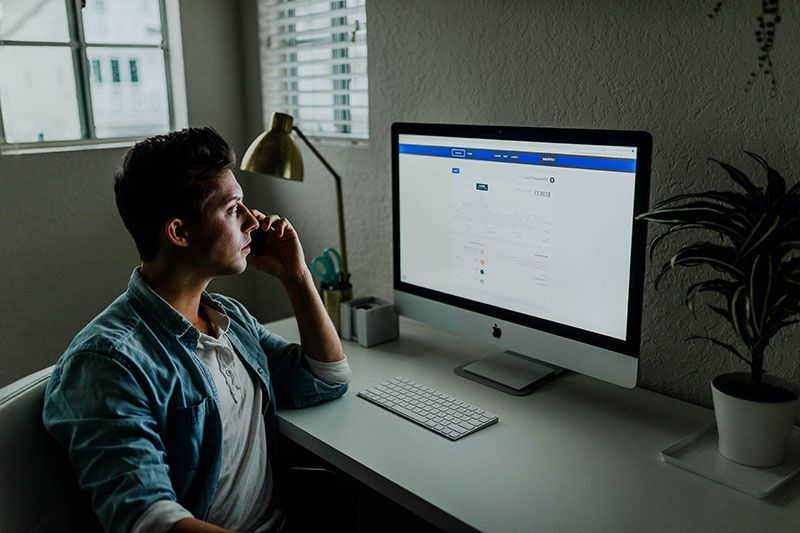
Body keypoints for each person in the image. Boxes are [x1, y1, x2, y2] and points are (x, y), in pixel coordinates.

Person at [42, 127, 351, 533]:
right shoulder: (107, 363)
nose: (253, 221)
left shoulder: (228, 319)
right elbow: (150, 520)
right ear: (179, 232)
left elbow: (325, 378)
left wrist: (296, 274)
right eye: (232, 208)